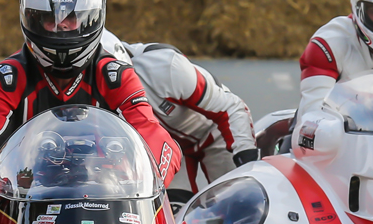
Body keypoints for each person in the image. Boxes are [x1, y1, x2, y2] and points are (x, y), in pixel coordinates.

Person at [0, 0, 181, 193]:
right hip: (23, 199)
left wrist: (150, 182)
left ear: (92, 18)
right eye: (51, 19)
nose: (62, 27)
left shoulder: (115, 76)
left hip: (111, 196)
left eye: (71, 18)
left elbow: (154, 135)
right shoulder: (7, 79)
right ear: (32, 19)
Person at [101, 31, 258, 194]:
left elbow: (230, 107)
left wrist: (245, 156)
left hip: (214, 135)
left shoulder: (165, 66)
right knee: (174, 211)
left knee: (236, 199)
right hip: (169, 145)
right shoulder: (88, 89)